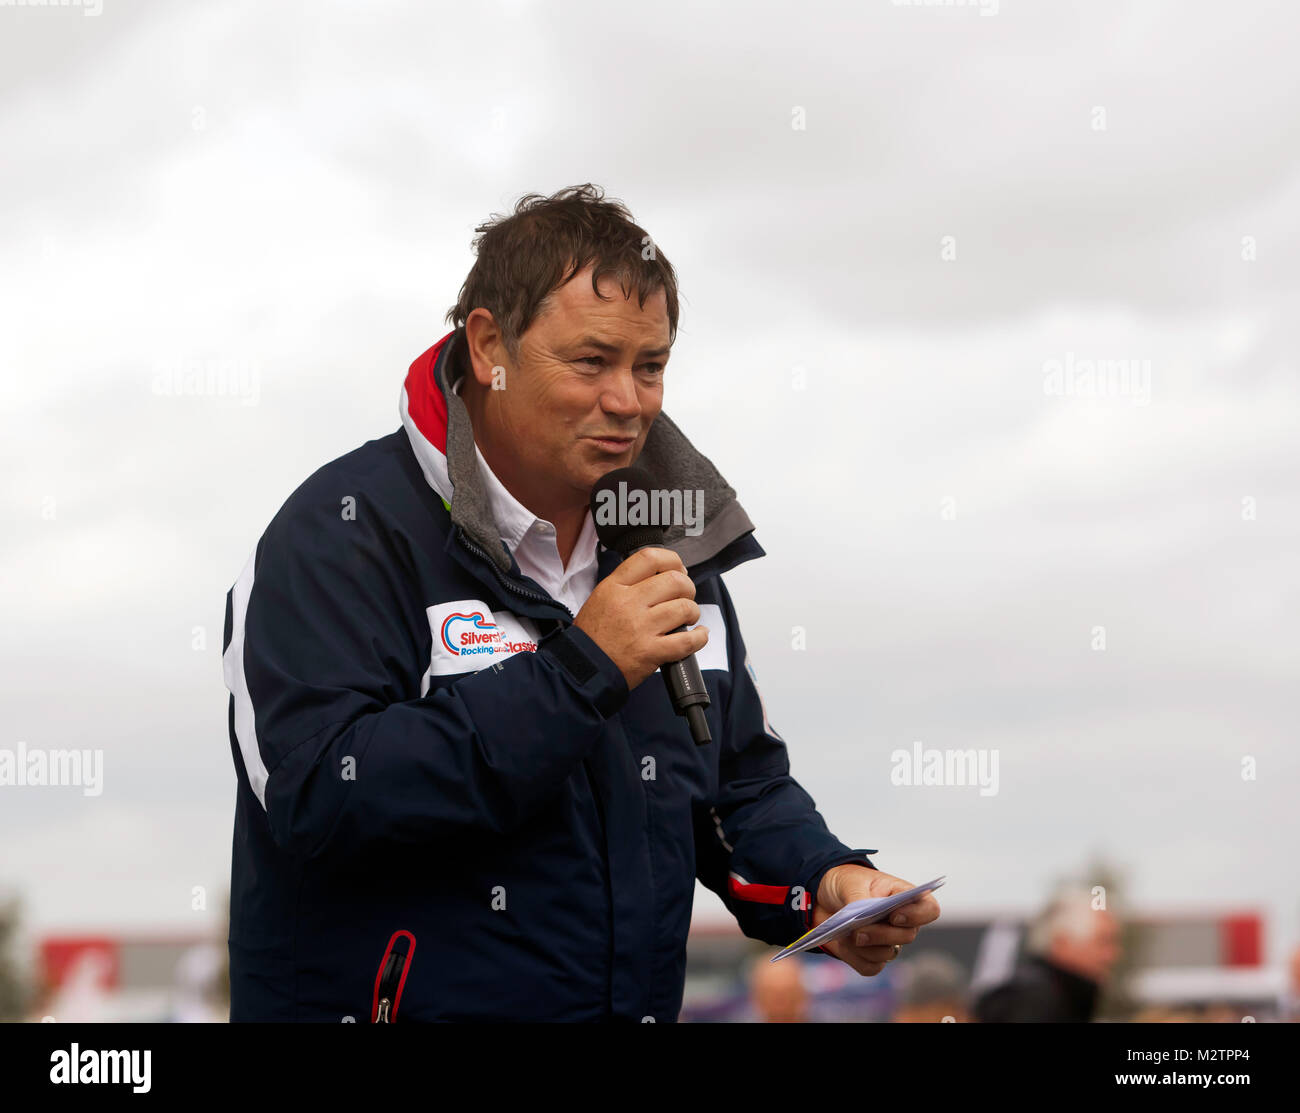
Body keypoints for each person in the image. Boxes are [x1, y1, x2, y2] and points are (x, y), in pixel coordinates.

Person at [222, 184, 940, 1021]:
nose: (628, 401)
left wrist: (821, 880)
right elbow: (320, 796)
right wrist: (581, 670)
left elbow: (734, 785)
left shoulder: (668, 544)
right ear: (491, 345)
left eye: (652, 365)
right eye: (592, 361)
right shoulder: (339, 534)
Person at [973, 886, 1120, 1023]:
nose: (1112, 955)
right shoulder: (1032, 1001)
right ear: (1062, 943)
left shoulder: (1062, 997)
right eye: (1103, 941)